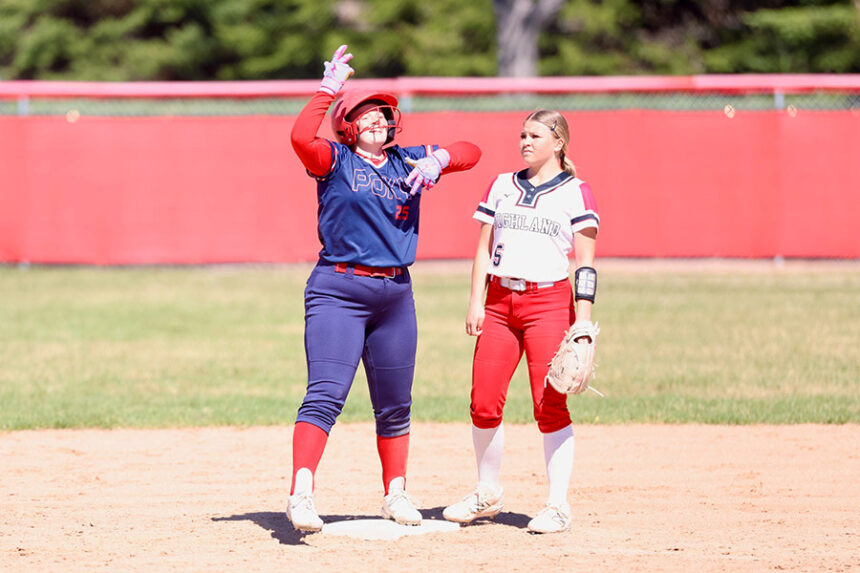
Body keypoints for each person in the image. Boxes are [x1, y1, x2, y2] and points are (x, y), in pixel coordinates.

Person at [286, 45, 481, 533]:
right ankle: (302, 494)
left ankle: (395, 493)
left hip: (395, 294)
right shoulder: (334, 159)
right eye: (366, 113)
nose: (377, 118)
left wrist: (438, 160)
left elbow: (471, 152)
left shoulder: (405, 160)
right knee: (326, 394)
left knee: (395, 401)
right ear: (347, 124)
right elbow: (297, 136)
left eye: (382, 112)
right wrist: (328, 89)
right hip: (339, 289)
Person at [442, 109, 600, 534]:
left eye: (535, 135)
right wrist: (476, 301)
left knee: (549, 403)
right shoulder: (501, 185)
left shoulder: (576, 192)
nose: (525, 142)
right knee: (483, 401)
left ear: (559, 142)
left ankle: (557, 505)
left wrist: (581, 326)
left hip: (547, 302)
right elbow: (482, 248)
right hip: (498, 302)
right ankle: (487, 493)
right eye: (522, 135)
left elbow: (585, 266)